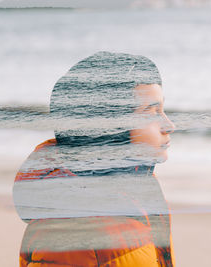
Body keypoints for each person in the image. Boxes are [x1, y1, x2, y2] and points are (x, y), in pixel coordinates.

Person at [13, 51, 175, 267]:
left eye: (162, 110)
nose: (169, 126)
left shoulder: (139, 197)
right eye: (151, 113)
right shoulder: (72, 230)